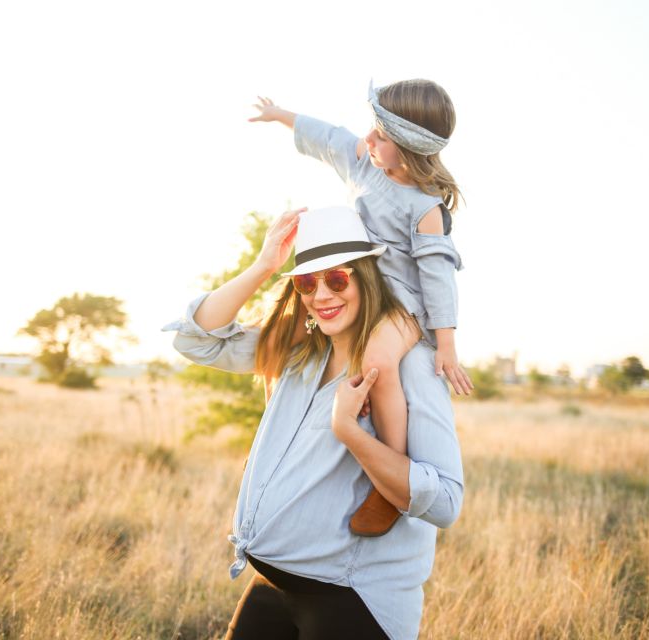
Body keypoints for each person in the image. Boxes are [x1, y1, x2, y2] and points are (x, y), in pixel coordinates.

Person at [163, 206, 464, 640]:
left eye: (337, 279)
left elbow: (446, 502)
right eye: (307, 282)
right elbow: (194, 340)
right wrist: (264, 266)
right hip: (274, 580)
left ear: (367, 278)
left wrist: (348, 432)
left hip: (351, 599)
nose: (321, 295)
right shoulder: (299, 350)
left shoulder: (410, 364)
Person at [249, 79, 472, 536]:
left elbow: (437, 276)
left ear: (410, 149)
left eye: (382, 138)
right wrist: (280, 115)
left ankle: (387, 480)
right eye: (373, 130)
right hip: (359, 289)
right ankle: (278, 438)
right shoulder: (364, 165)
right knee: (286, 338)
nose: (368, 140)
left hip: (402, 306)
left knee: (377, 361)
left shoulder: (425, 207)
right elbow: (328, 137)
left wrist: (445, 343)